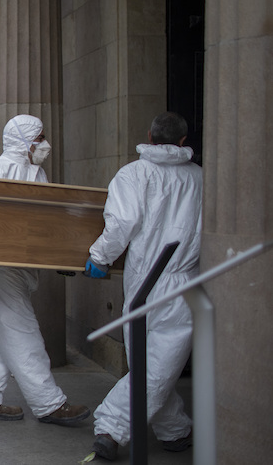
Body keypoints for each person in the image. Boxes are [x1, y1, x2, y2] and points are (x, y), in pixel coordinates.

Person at [83, 111, 202, 460]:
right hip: (182, 281)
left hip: (142, 282)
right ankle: (175, 429)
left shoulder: (133, 174)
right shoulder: (200, 178)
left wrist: (100, 257)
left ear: (149, 137)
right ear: (183, 142)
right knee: (155, 364)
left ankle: (111, 427)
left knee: (153, 364)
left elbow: (121, 223)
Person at [0, 114, 90, 425]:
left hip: (22, 265)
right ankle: (49, 404)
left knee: (0, 329)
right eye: (40, 138)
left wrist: (59, 256)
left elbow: (45, 223)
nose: (46, 145)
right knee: (22, 330)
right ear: (25, 141)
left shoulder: (38, 173)